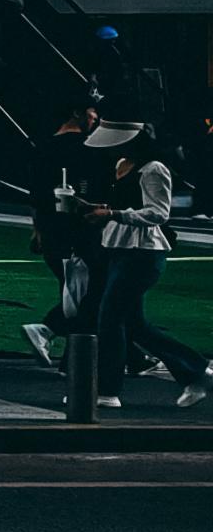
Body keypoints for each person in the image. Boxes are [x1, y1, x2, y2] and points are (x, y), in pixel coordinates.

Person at [89, 139, 208, 408]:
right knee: (133, 323)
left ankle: (107, 389)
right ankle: (195, 371)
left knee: (110, 319)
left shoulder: (153, 169)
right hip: (120, 249)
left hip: (142, 252)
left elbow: (159, 213)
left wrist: (113, 214)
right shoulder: (122, 164)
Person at [26, 112, 114, 369]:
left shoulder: (43, 148)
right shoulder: (86, 149)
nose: (95, 117)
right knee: (91, 294)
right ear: (78, 113)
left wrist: (38, 228)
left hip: (53, 230)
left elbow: (36, 194)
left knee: (79, 292)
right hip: (79, 232)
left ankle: (128, 356)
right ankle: (52, 333)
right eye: (91, 111)